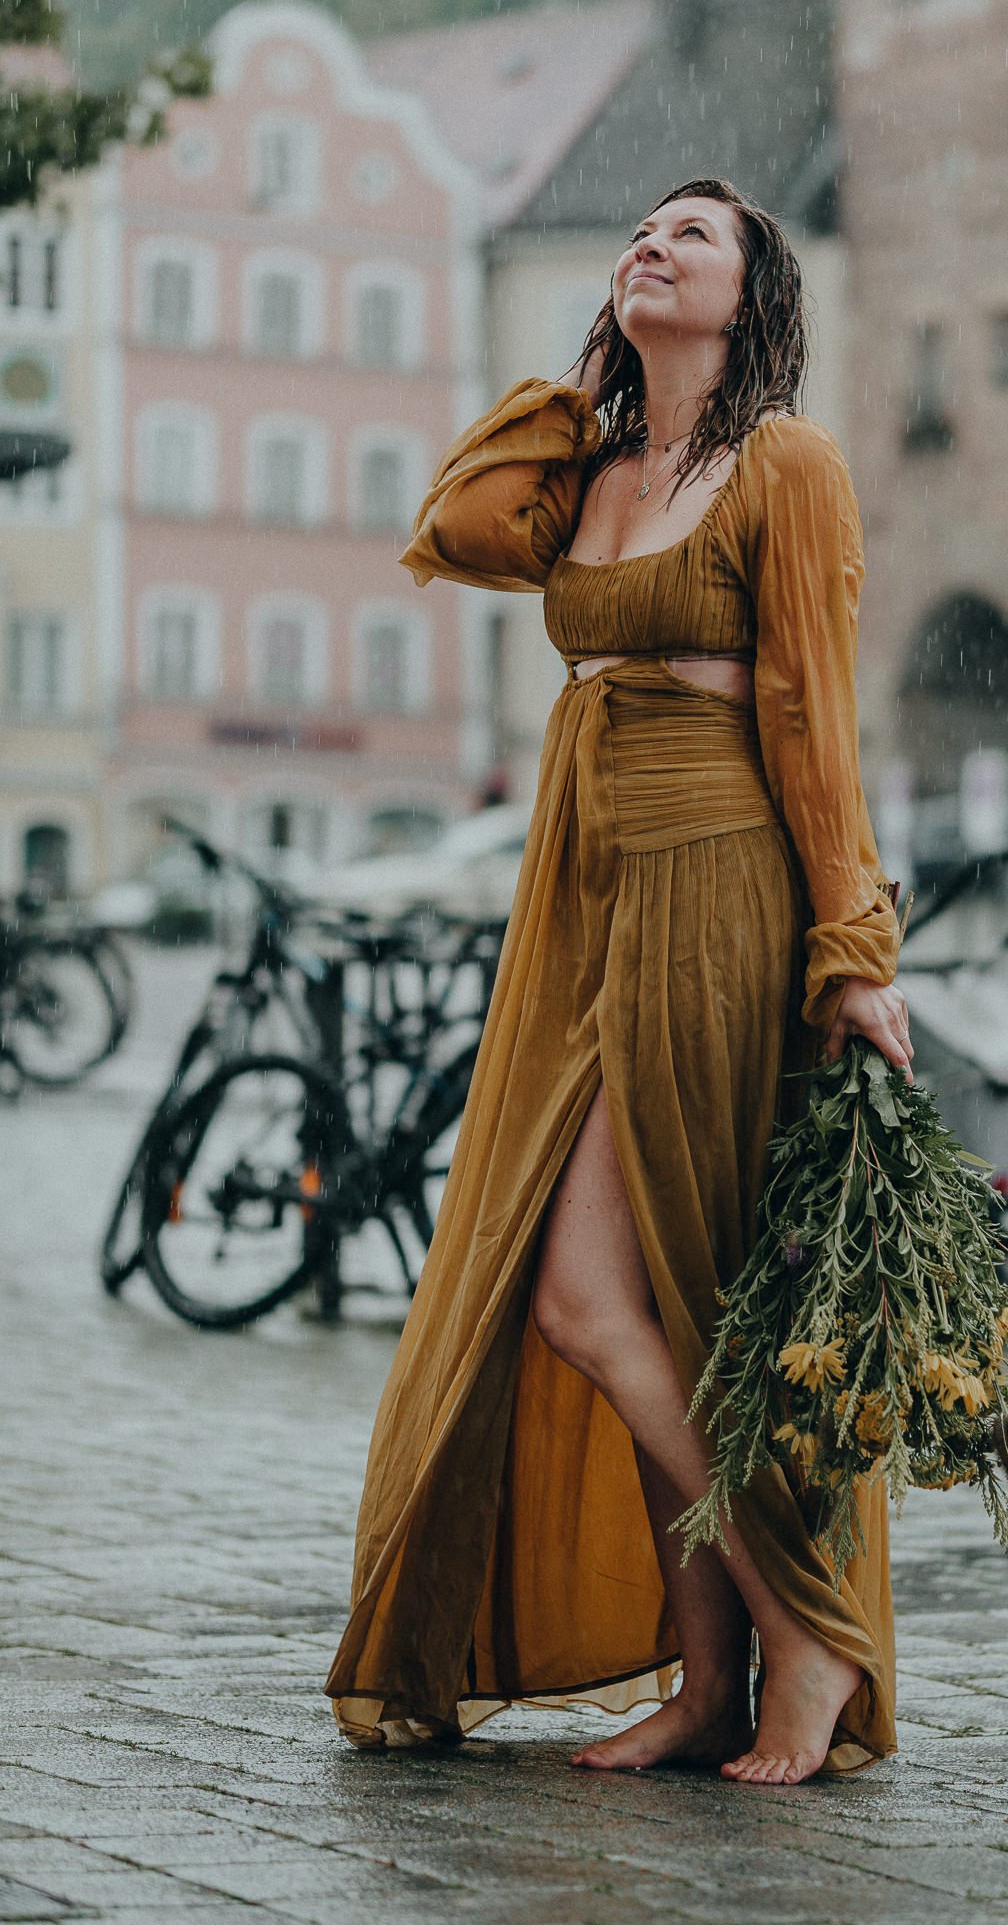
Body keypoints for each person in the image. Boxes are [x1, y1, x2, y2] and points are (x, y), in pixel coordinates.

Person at [326, 176, 913, 1786]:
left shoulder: (783, 464)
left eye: (693, 236)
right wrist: (581, 392)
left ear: (755, 296)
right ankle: (710, 1680)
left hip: (717, 877)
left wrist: (851, 948)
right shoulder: (590, 472)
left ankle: (801, 1637)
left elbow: (812, 713)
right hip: (580, 889)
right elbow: (459, 523)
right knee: (615, 1299)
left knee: (644, 1296)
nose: (653, 244)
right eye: (639, 233)